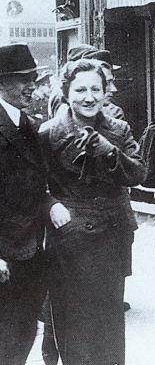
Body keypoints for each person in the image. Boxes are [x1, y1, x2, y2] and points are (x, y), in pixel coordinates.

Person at [38, 59, 144, 365]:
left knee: (109, 324)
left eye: (96, 89)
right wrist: (51, 205)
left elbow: (138, 174)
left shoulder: (118, 129)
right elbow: (32, 187)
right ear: (66, 92)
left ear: (106, 91)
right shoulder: (47, 134)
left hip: (110, 239)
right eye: (80, 89)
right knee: (73, 325)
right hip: (68, 242)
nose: (89, 97)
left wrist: (110, 152)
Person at [0, 44, 70, 365]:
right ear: (1, 84)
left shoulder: (27, 125)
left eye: (33, 77)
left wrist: (50, 203)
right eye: (22, 80)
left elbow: (32, 186)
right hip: (5, 256)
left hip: (29, 250)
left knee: (25, 331)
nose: (32, 86)